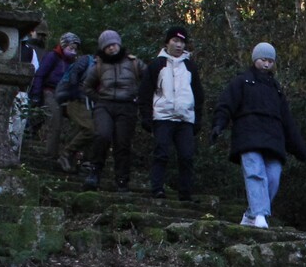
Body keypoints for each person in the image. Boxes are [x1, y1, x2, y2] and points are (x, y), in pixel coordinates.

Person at [211, 42, 306, 228]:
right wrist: (218, 125)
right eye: (263, 59)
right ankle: (260, 216)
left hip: (273, 140)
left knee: (273, 178)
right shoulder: (242, 82)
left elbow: (287, 121)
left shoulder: (276, 88)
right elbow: (226, 104)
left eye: (270, 61)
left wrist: (300, 149)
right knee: (255, 173)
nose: (266, 64)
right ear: (255, 59)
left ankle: (252, 214)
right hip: (248, 136)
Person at [139, 26, 204, 201]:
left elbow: (198, 94)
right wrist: (146, 116)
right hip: (163, 116)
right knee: (161, 154)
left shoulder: (190, 66)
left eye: (182, 42)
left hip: (185, 118)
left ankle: (185, 193)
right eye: (175, 41)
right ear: (167, 42)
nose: (179, 45)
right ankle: (157, 189)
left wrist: (197, 119)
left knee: (187, 156)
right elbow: (145, 92)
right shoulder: (157, 65)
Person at [82, 30, 146, 191]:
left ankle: (122, 180)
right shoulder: (98, 65)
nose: (111, 48)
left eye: (113, 44)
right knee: (102, 135)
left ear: (119, 43)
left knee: (122, 142)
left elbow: (149, 79)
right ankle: (94, 172)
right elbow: (87, 86)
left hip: (127, 105)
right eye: (107, 46)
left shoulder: (134, 62)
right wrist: (98, 99)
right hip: (105, 105)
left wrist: (140, 97)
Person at [29, 32, 81, 167]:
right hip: (50, 91)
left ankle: (67, 154)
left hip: (65, 95)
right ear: (64, 45)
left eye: (75, 49)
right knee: (55, 122)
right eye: (71, 48)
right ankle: (50, 155)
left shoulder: (73, 63)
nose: (73, 51)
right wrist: (36, 95)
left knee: (80, 122)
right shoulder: (52, 57)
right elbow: (40, 75)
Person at [52, 45, 95, 173]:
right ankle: (66, 154)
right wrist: (75, 92)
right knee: (90, 129)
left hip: (90, 103)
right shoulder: (87, 60)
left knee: (80, 131)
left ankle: (73, 160)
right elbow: (74, 74)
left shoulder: (107, 66)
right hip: (77, 100)